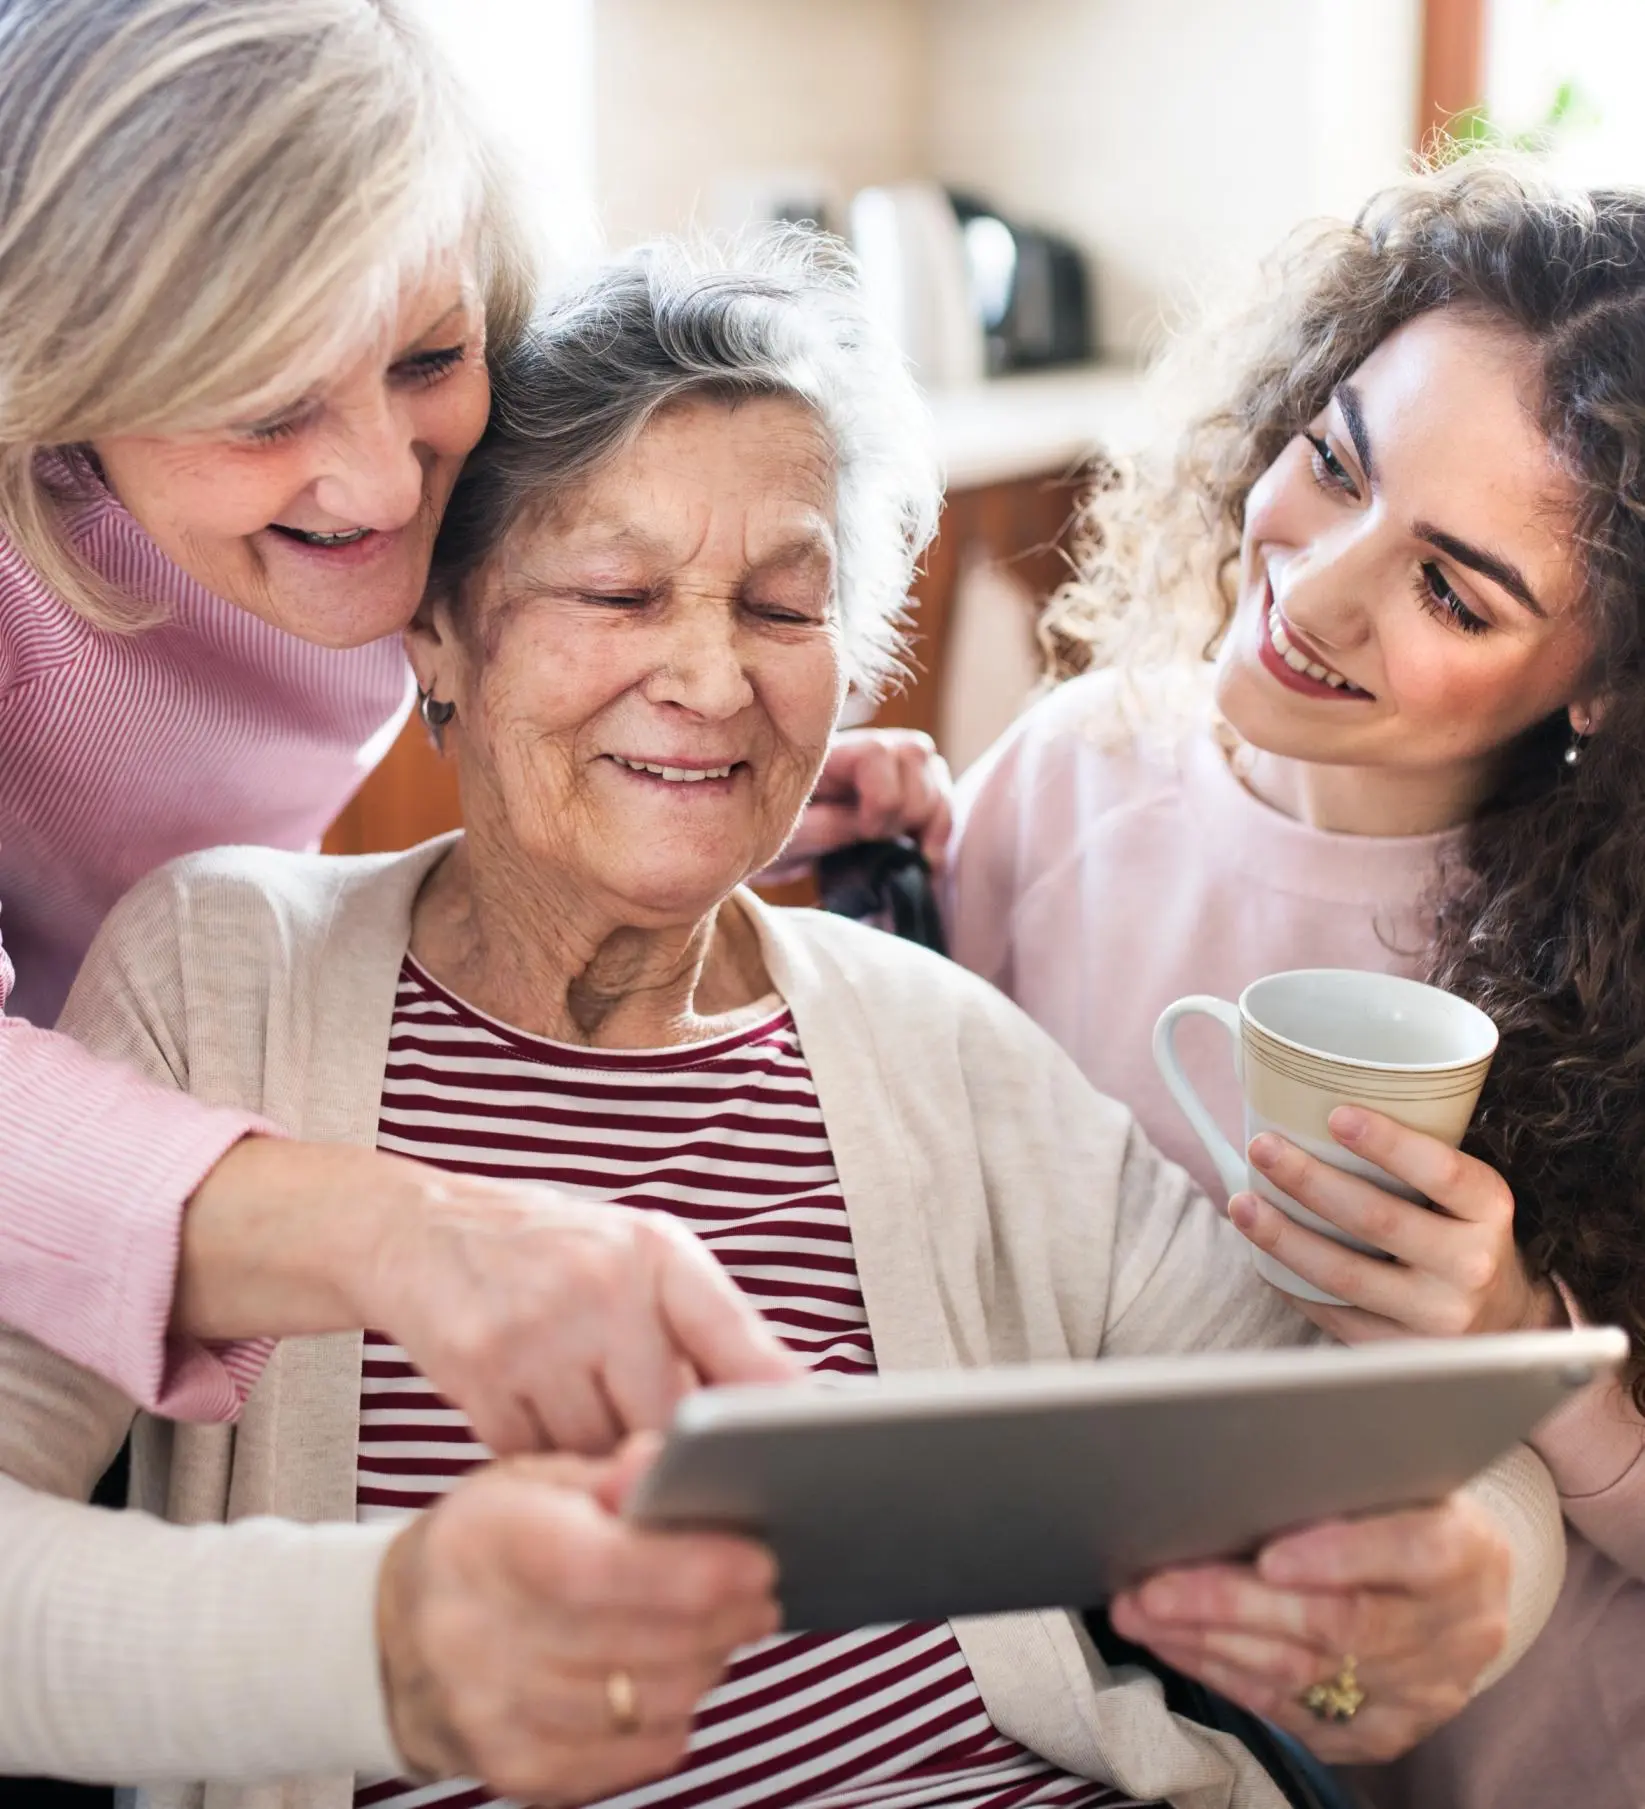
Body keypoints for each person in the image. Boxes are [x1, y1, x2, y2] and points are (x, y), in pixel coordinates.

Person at [0, 232, 1563, 1809]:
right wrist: (377, 1654)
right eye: (617, 591)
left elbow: (1416, 1450)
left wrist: (1447, 1586)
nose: (709, 677)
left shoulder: (930, 1044)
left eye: (782, 606)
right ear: (437, 631)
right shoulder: (224, 976)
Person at [0, 2, 942, 1795]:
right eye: (268, 406)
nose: (382, 479)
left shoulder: (410, 466)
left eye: (426, 357)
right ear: (65, 374)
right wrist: (411, 1236)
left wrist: (681, 773)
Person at [947, 154, 1645, 1809]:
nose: (1310, 591)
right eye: (1334, 463)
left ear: (1609, 684)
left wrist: (1526, 1347)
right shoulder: (1064, 785)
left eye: (1449, 589)